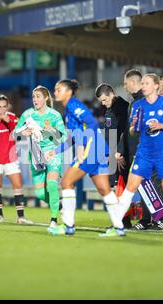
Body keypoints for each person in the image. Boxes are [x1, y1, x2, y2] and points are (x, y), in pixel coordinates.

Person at [48, 79, 125, 237]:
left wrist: (83, 146)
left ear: (69, 92)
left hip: (92, 150)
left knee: (66, 182)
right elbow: (72, 138)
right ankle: (119, 228)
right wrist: (56, 150)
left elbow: (92, 123)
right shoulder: (69, 110)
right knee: (104, 189)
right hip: (99, 150)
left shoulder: (73, 105)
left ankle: (68, 226)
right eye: (55, 89)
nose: (56, 92)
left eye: (59, 89)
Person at [117, 73, 163, 236]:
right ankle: (117, 224)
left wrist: (161, 125)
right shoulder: (138, 105)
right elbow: (132, 131)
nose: (143, 86)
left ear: (156, 86)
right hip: (143, 153)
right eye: (142, 83)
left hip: (162, 154)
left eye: (146, 83)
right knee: (131, 187)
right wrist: (135, 125)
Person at [14, 86, 67, 228]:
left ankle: (54, 219)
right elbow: (14, 133)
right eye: (33, 97)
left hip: (52, 153)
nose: (35, 99)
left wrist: (54, 131)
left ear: (46, 98)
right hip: (36, 156)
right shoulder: (28, 115)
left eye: (38, 96)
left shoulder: (55, 115)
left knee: (51, 184)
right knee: (40, 194)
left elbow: (64, 137)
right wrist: (22, 133)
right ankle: (61, 206)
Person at [117, 69, 162, 230]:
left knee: (147, 186)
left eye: (126, 82)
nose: (124, 86)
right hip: (140, 151)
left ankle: (151, 219)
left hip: (146, 151)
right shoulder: (136, 103)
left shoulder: (143, 103)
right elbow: (131, 130)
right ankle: (148, 219)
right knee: (142, 186)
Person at [0, 94, 32, 224]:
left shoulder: (12, 117)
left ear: (7, 106)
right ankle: (0, 216)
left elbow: (16, 133)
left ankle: (21, 217)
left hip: (11, 157)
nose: (1, 110)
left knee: (18, 185)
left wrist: (7, 121)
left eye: (4, 107)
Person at [94, 83, 129, 188]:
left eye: (105, 100)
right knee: (111, 185)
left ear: (111, 94)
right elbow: (109, 132)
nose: (103, 103)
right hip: (111, 155)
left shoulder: (123, 108)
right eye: (101, 101)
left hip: (118, 155)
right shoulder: (110, 109)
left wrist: (119, 152)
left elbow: (124, 131)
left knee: (120, 186)